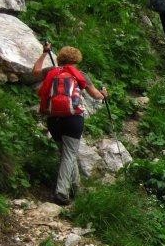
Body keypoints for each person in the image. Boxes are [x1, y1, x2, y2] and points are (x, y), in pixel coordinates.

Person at [32, 43, 108, 206]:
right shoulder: (80, 75)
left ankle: (76, 189)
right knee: (69, 155)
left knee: (67, 154)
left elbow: (35, 72)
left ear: (60, 59)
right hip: (73, 119)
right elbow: (96, 95)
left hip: (53, 119)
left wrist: (44, 53)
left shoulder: (50, 72)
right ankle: (61, 192)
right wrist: (104, 94)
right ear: (77, 60)